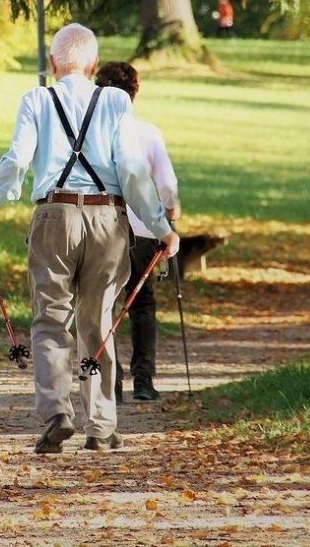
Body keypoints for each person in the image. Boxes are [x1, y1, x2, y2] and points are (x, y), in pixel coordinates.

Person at [0, 23, 179, 455]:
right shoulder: (116, 101)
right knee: (98, 320)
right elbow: (134, 174)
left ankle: (57, 413)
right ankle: (101, 426)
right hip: (107, 218)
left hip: (54, 216)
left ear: (52, 64)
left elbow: (16, 161)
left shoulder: (36, 100)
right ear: (93, 66)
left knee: (49, 318)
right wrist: (161, 227)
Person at [94, 62, 180, 404]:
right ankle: (143, 380)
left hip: (104, 226)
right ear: (135, 93)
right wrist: (170, 212)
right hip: (144, 228)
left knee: (104, 302)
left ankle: (110, 382)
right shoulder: (147, 133)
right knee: (142, 302)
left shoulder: (93, 134)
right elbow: (167, 184)